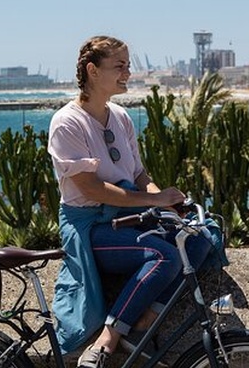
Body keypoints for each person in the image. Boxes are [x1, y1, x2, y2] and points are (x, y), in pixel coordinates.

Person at [48, 35, 212, 368]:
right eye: (119, 66)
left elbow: (138, 172)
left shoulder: (121, 116)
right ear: (93, 71)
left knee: (201, 237)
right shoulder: (67, 122)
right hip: (92, 226)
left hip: (129, 217)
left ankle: (141, 323)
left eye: (128, 66)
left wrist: (162, 200)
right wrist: (151, 199)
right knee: (162, 255)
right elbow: (91, 189)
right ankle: (108, 339)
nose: (128, 73)